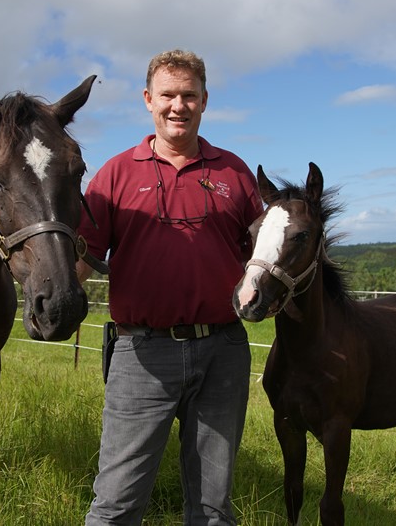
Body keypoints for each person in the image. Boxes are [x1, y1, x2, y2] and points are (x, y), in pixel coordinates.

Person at [78, 49, 263, 525]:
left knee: (212, 506)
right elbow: (81, 259)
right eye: (167, 95)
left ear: (205, 101)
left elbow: (265, 255)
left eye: (188, 96)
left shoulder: (234, 173)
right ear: (147, 99)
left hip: (223, 349)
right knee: (117, 501)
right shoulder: (115, 175)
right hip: (142, 355)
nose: (177, 106)